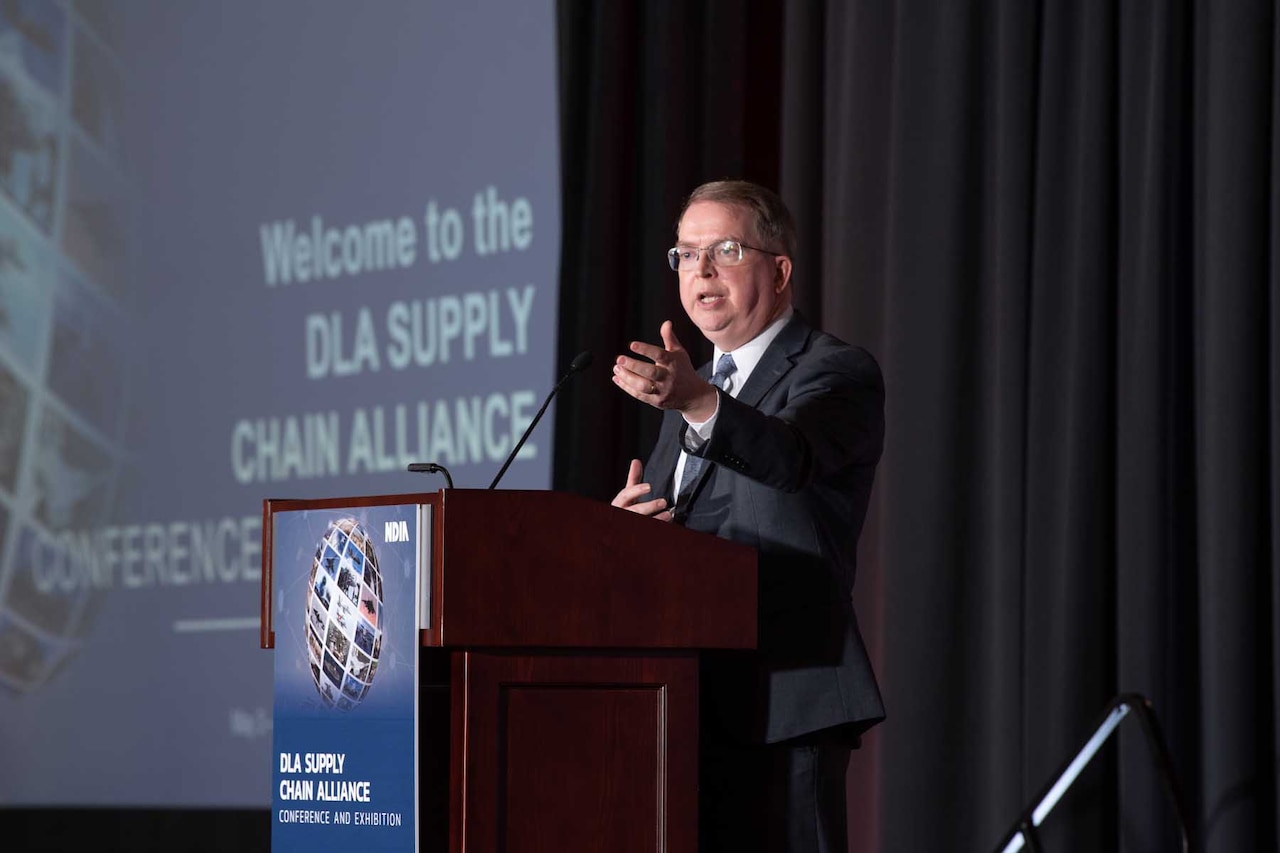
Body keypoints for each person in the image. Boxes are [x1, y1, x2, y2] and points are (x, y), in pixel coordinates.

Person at [611, 180, 885, 853]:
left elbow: (790, 459)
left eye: (724, 250)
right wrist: (624, 537)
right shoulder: (695, 387)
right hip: (687, 706)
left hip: (785, 707)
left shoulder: (834, 371)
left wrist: (702, 403)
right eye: (686, 254)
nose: (700, 271)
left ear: (780, 269)